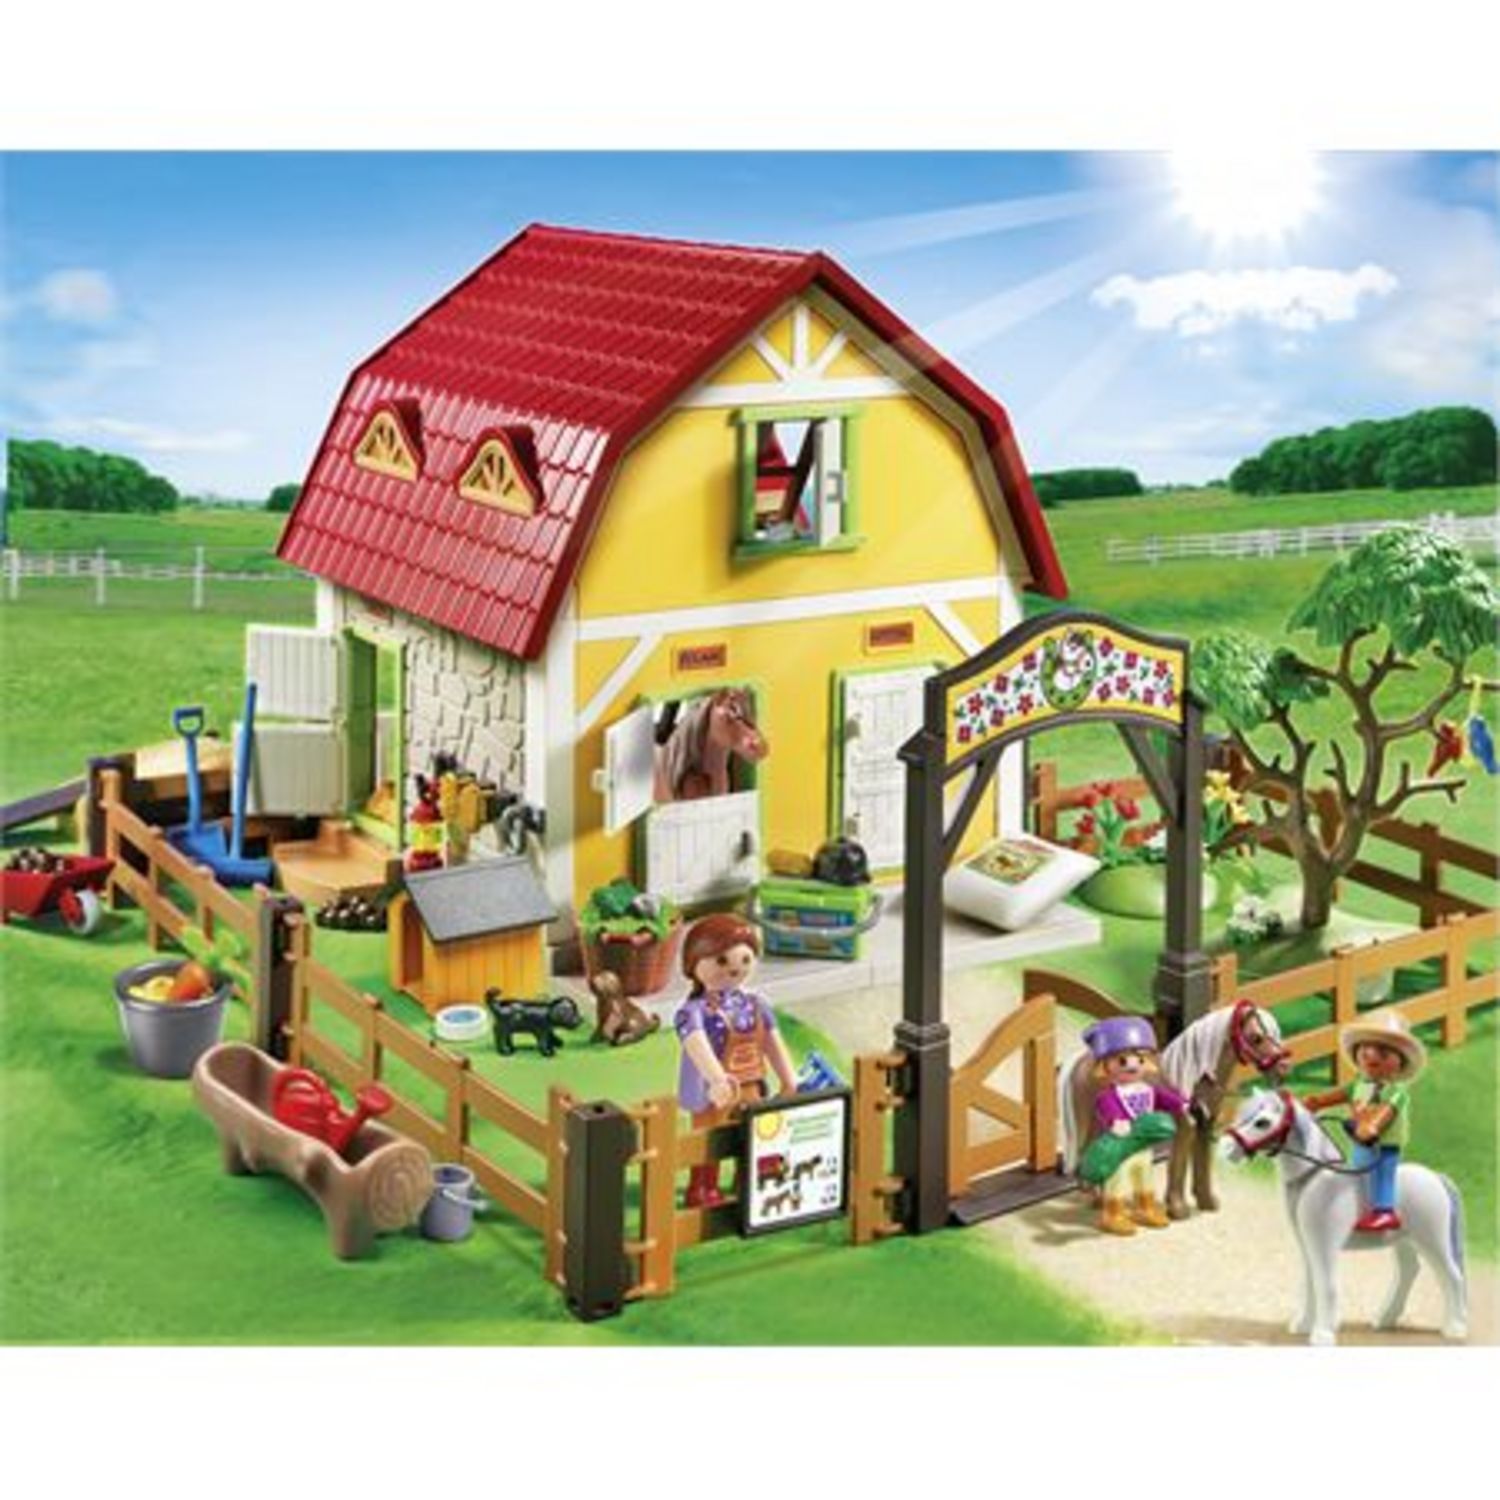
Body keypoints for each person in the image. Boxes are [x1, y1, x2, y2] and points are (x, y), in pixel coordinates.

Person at [673, 913, 797, 1208]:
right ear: (694, 964)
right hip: (713, 1091)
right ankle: (703, 1187)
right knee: (710, 1140)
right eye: (721, 961)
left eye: (744, 959)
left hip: (751, 1082)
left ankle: (748, 1181)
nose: (734, 968)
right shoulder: (694, 1011)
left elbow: (772, 1040)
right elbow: (696, 1044)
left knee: (755, 1133)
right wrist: (717, 1078)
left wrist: (788, 1077)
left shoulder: (755, 1004)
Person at [1304, 1011, 1426, 1232]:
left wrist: (1373, 1125)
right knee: (1357, 1169)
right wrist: (1319, 1102)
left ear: (1399, 1062)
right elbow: (1342, 1094)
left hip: (1385, 1143)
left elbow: (1387, 1110)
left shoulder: (1395, 1090)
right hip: (1360, 1140)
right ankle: (1356, 1205)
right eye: (1365, 1050)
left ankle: (1385, 1211)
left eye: (1383, 1052)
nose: (1372, 1056)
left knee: (1383, 1173)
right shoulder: (1361, 1083)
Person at [1078, 1015, 1189, 1236]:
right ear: (1105, 1066)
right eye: (1122, 1061)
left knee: (1144, 1176)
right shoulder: (1109, 1095)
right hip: (1120, 1150)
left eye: (1139, 1059)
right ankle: (1113, 1213)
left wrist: (1182, 1104)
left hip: (1143, 1146)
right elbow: (1107, 1107)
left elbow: (1166, 1099)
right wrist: (1116, 1120)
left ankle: (1145, 1207)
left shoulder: (1148, 1089)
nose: (1132, 1065)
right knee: (1118, 1180)